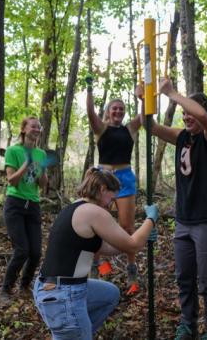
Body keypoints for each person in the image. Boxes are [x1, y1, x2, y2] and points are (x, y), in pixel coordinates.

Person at [137, 78, 207, 340]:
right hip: (184, 219)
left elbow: (200, 113)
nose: (188, 117)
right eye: (184, 113)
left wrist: (172, 93)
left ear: (205, 115)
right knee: (184, 277)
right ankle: (187, 325)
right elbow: (150, 127)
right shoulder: (182, 137)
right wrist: (145, 101)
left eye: (191, 112)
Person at [33, 167, 158, 340]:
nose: (111, 205)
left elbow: (112, 248)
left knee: (110, 294)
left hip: (56, 290)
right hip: (63, 295)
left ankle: (78, 331)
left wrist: (143, 236)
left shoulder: (77, 208)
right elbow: (132, 246)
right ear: (102, 190)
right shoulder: (93, 212)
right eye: (112, 198)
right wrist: (150, 219)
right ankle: (75, 330)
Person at [85, 75, 142, 293]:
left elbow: (145, 114)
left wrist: (143, 95)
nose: (118, 112)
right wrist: (90, 90)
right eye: (114, 109)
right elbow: (90, 114)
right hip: (103, 178)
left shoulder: (130, 129)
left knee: (127, 227)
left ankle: (131, 269)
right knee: (97, 226)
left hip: (125, 177)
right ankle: (98, 266)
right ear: (108, 112)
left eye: (121, 109)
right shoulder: (101, 129)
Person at [0, 116, 49, 304]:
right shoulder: (13, 151)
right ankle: (4, 290)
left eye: (39, 127)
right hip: (15, 205)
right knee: (22, 250)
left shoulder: (41, 154)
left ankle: (24, 287)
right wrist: (27, 163)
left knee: (35, 252)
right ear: (24, 129)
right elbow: (11, 180)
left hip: (33, 205)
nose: (37, 129)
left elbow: (42, 185)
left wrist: (42, 170)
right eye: (33, 126)